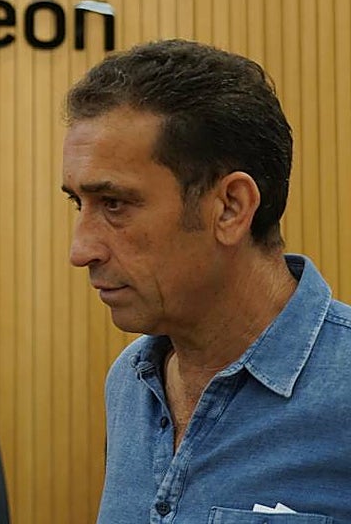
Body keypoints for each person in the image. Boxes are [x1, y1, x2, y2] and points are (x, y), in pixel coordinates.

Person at [61, 39, 351, 523]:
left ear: (231, 207)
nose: (80, 249)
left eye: (114, 204)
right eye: (78, 204)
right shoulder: (130, 381)